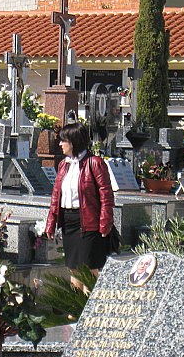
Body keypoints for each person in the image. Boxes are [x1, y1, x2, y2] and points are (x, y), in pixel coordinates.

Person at [45, 121, 115, 291]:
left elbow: (106, 195)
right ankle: (75, 309)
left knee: (89, 268)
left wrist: (105, 222)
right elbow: (56, 196)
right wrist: (51, 222)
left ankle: (91, 308)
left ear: (74, 141)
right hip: (69, 222)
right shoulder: (64, 165)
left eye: (63, 141)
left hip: (88, 223)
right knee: (74, 268)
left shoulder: (95, 163)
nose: (60, 144)